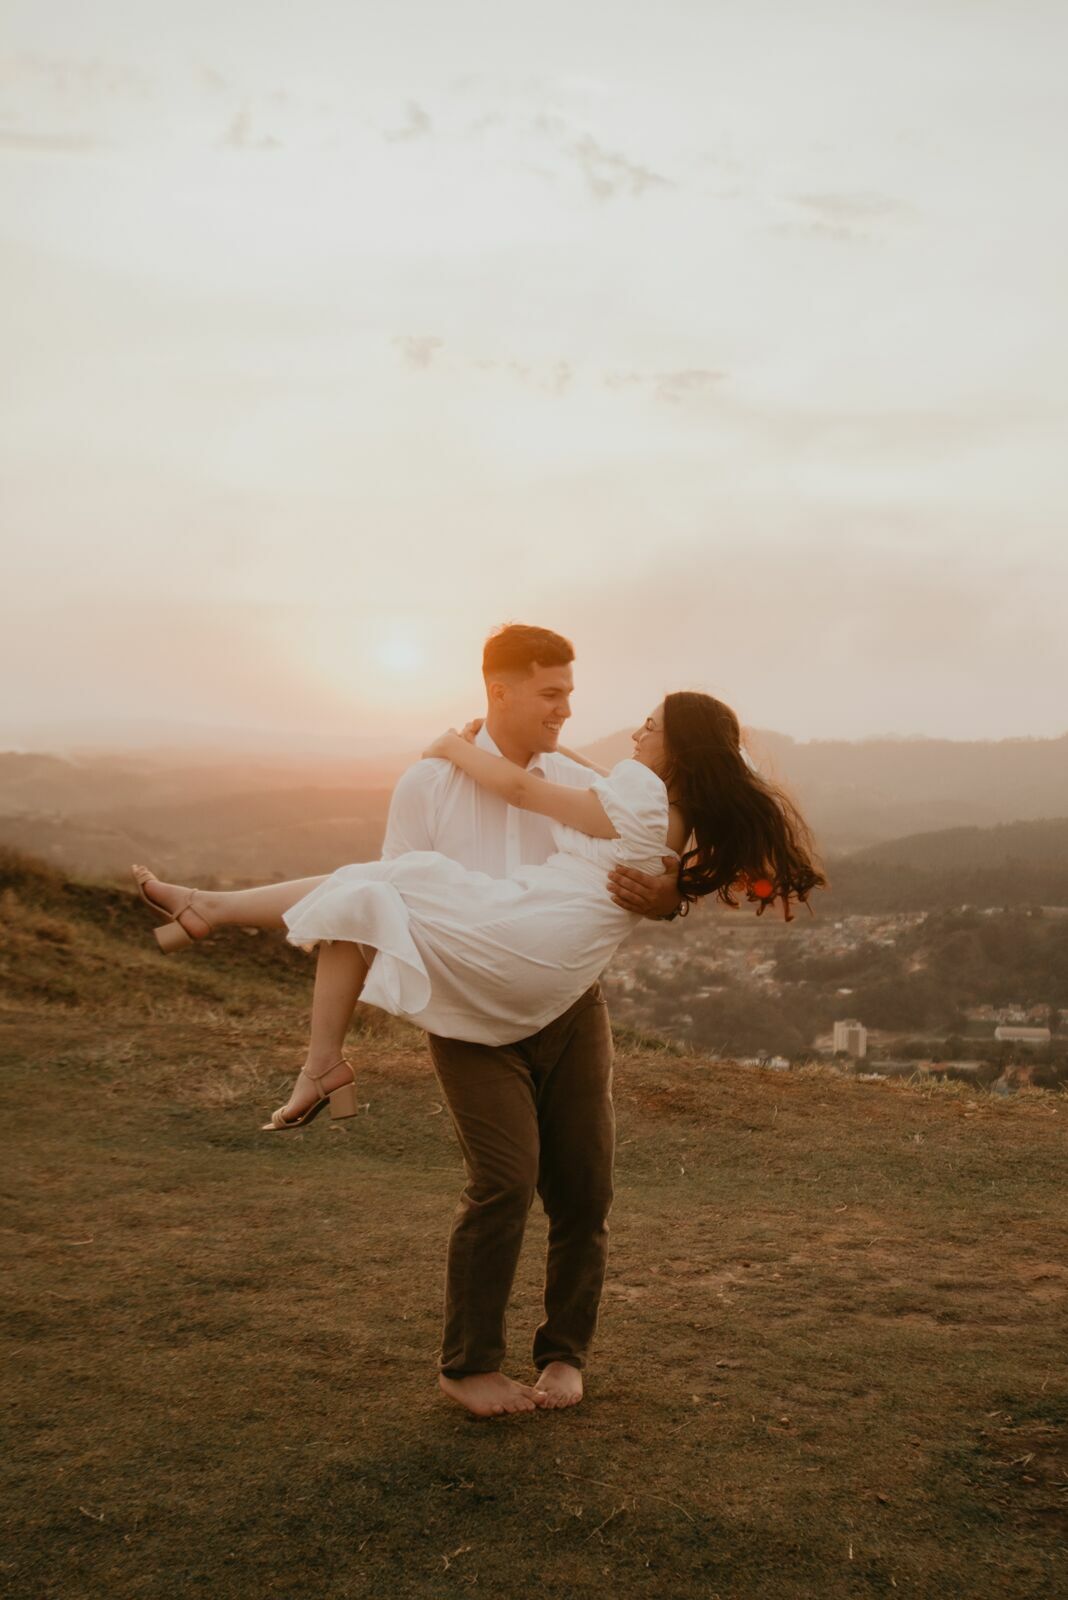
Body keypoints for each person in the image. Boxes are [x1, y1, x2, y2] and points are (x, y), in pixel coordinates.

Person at [131, 626, 824, 1419]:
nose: (570, 708)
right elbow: (380, 906)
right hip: (473, 1011)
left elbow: (647, 850)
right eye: (552, 693)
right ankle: (468, 1365)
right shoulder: (426, 784)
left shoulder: (578, 774)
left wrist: (665, 900)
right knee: (501, 1182)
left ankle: (565, 1356)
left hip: (566, 1003)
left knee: (584, 1191)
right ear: (500, 690)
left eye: (571, 691)